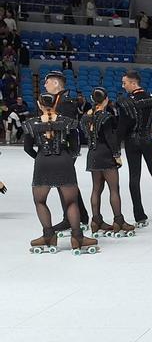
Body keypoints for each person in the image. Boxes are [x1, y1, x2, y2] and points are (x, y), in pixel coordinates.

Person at [23, 92, 99, 255]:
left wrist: (40, 157)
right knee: (71, 202)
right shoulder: (68, 122)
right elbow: (75, 147)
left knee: (40, 201)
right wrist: (65, 157)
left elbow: (27, 148)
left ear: (39, 104)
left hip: (43, 163)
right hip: (64, 162)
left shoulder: (30, 124)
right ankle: (77, 238)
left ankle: (49, 236)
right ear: (56, 104)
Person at [116, 70, 152, 227]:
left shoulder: (125, 102)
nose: (123, 86)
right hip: (149, 140)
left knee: (134, 178)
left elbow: (122, 127)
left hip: (132, 142)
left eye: (125, 82)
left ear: (134, 83)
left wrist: (116, 149)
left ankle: (140, 216)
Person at [80, 87, 135, 237]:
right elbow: (111, 138)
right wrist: (117, 154)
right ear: (105, 100)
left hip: (92, 155)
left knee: (96, 189)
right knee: (114, 189)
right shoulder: (106, 117)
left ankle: (96, 220)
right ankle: (118, 220)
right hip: (105, 154)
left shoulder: (85, 117)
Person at [41, 71, 90, 235]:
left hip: (65, 149)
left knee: (63, 183)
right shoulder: (57, 101)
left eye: (47, 82)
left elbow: (71, 128)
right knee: (67, 183)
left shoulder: (66, 102)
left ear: (55, 83)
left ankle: (71, 219)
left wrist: (72, 153)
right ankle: (80, 217)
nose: (44, 85)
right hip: (59, 149)